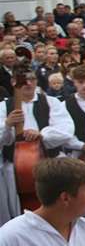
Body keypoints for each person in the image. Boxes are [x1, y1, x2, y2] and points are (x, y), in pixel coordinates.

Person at [1, 63, 75, 223]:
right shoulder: (3, 107)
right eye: (23, 80)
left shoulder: (51, 102)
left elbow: (67, 129)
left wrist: (42, 134)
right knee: (17, 209)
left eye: (32, 79)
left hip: (50, 162)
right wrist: (7, 125)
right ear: (14, 82)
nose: (28, 83)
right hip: (15, 170)